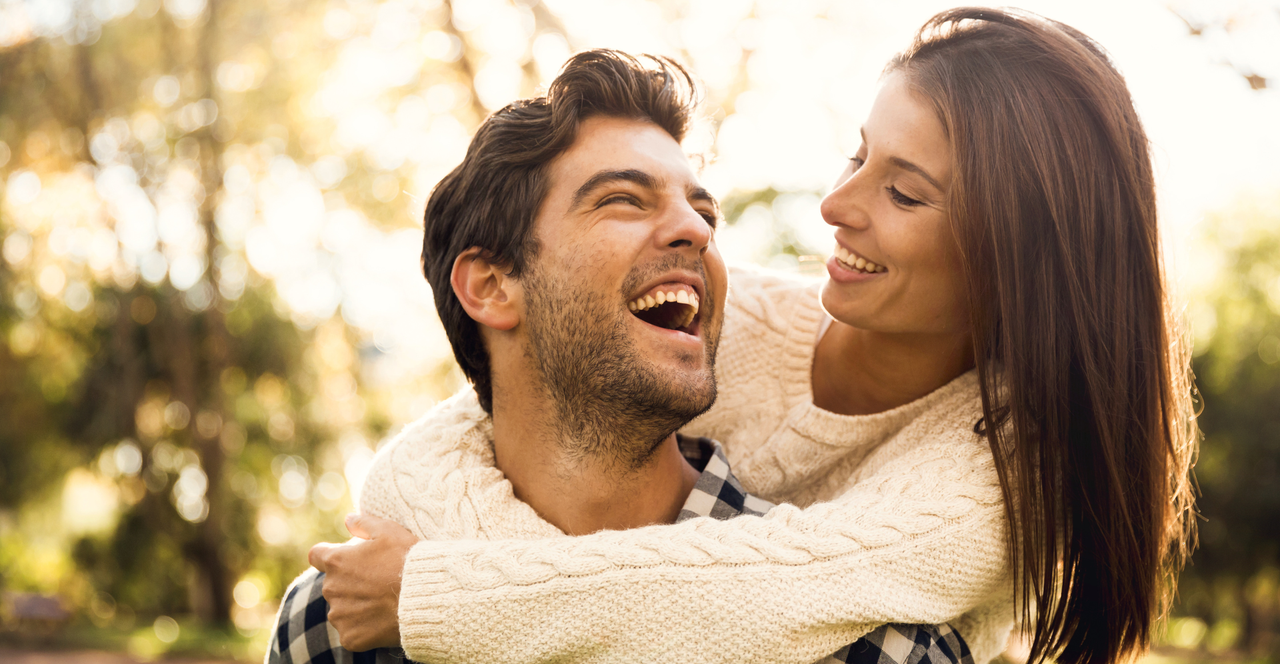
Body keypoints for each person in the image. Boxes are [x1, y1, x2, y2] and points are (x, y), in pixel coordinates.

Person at [313, 8, 1198, 664]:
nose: (834, 207)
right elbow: (459, 434)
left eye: (906, 192)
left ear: (1015, 262)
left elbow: (769, 591)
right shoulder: (719, 321)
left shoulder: (998, 477)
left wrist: (437, 595)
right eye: (859, 157)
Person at [269, 49, 972, 664]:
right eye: (625, 200)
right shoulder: (337, 626)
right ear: (491, 285)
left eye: (705, 212)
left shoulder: (875, 648)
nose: (696, 229)